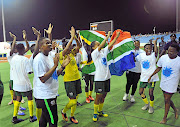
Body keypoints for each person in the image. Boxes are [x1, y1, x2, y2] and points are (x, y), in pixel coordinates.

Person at [33, 36, 71, 127]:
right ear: (41, 46)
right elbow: (42, 79)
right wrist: (55, 66)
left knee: (44, 118)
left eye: (50, 42)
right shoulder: (39, 59)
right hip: (44, 96)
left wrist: (62, 66)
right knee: (53, 120)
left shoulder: (50, 56)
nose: (50, 44)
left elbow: (54, 74)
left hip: (50, 93)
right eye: (47, 43)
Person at [91, 31, 120, 122]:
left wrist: (116, 37)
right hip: (99, 78)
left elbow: (110, 44)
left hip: (107, 77)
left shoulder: (103, 52)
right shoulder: (94, 54)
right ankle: (95, 113)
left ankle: (100, 111)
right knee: (98, 97)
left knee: (104, 95)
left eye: (99, 44)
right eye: (97, 44)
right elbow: (101, 46)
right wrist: (107, 37)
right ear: (93, 47)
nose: (100, 45)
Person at [148, 44, 179, 124]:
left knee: (166, 100)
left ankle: (164, 118)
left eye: (172, 52)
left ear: (177, 52)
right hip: (164, 82)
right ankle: (175, 109)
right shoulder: (163, 58)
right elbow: (159, 68)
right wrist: (151, 75)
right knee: (167, 99)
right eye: (168, 51)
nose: (169, 53)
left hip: (172, 84)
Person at [60, 26, 82, 124]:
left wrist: (76, 37)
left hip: (77, 78)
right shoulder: (62, 55)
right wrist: (72, 37)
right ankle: (64, 111)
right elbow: (67, 48)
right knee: (72, 101)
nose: (72, 48)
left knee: (75, 100)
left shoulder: (72, 53)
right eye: (69, 47)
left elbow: (79, 45)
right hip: (69, 80)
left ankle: (72, 116)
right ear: (65, 47)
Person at [11, 42, 37, 124]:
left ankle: (14, 117)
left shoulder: (14, 58)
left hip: (16, 84)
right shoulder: (25, 59)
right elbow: (29, 72)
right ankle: (31, 116)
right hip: (25, 84)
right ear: (23, 49)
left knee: (18, 99)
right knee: (30, 98)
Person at [136, 38, 159, 114]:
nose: (149, 49)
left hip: (152, 78)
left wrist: (155, 43)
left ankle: (151, 107)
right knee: (140, 92)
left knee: (151, 93)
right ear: (144, 49)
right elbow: (134, 59)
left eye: (150, 48)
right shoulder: (141, 55)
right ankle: (147, 104)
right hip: (143, 77)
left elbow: (156, 52)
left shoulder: (153, 55)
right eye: (147, 48)